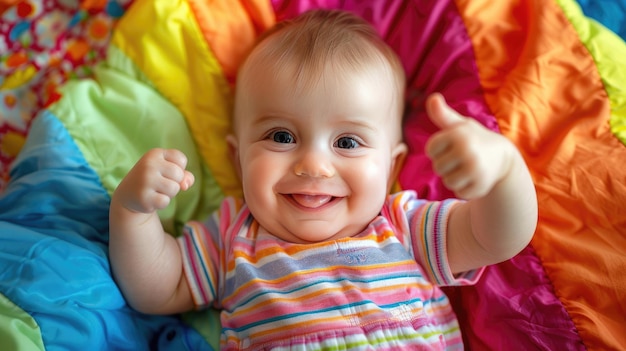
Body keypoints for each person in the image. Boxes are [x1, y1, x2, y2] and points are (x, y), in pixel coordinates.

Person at [109, 9, 537, 350]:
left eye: (348, 142)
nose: (313, 165)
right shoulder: (233, 238)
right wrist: (133, 213)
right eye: (282, 136)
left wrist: (503, 171)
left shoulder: (403, 226)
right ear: (237, 159)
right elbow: (158, 291)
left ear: (391, 167)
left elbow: (498, 237)